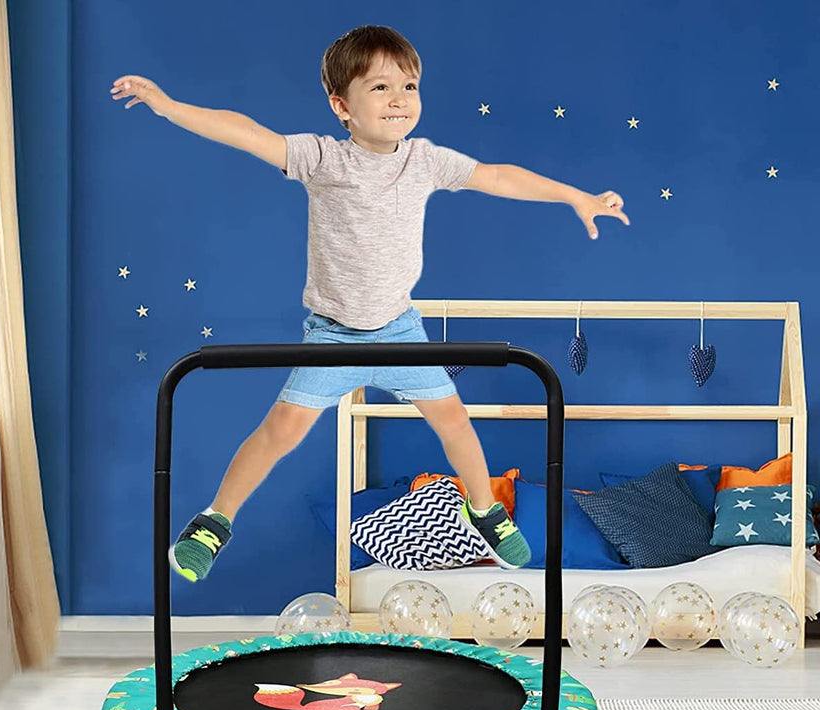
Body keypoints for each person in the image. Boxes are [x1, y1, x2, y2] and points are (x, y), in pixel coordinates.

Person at [111, 24, 629, 582]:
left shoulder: (425, 161)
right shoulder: (322, 159)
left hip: (399, 330)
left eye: (409, 87)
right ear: (342, 106)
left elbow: (498, 176)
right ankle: (214, 522)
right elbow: (247, 133)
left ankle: (485, 509)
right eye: (380, 89)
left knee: (455, 421)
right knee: (281, 431)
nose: (399, 100)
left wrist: (576, 195)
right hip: (333, 335)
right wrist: (168, 106)